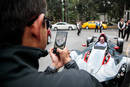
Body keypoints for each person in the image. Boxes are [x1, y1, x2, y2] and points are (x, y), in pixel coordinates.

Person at [0, 0, 103, 87]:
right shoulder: (80, 80)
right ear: (37, 25)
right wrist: (68, 62)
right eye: (47, 22)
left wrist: (53, 67)